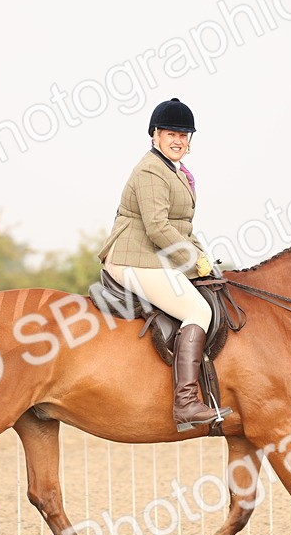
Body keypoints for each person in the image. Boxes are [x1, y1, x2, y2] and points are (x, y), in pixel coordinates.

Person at [98, 97, 233, 431]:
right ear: (155, 135)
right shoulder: (150, 170)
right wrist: (192, 261)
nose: (178, 140)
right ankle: (186, 403)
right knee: (199, 311)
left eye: (184, 135)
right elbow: (158, 227)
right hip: (132, 260)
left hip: (155, 260)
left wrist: (205, 261)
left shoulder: (178, 173)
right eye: (171, 132)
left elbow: (182, 229)